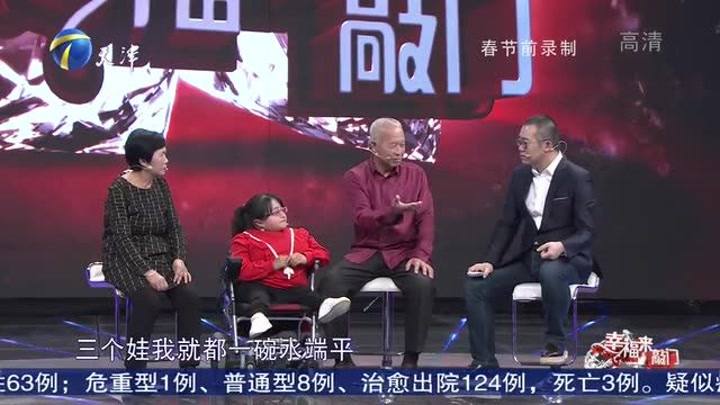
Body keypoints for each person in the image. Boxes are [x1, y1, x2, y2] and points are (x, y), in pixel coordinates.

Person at [465, 115, 597, 367]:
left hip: (570, 261)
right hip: (531, 259)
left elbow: (587, 231)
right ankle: (484, 361)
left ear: (547, 145)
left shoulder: (577, 176)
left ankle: (555, 345)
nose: (520, 148)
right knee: (476, 285)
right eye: (518, 142)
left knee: (551, 272)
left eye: (525, 143)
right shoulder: (520, 176)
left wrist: (562, 247)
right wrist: (490, 261)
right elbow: (507, 223)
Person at [321, 118, 435, 369]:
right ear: (373, 146)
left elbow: (426, 217)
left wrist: (421, 254)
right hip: (367, 251)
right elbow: (362, 218)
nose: (400, 151)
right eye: (393, 145)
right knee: (332, 282)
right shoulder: (355, 176)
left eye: (402, 145)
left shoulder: (416, 174)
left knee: (422, 285)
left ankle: (411, 360)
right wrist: (392, 213)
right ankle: (342, 359)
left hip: (404, 252)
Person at [102, 128, 200, 370]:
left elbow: (174, 226)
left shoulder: (161, 185)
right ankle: (135, 368)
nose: (167, 160)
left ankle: (190, 366)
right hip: (125, 260)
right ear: (144, 161)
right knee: (149, 301)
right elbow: (121, 238)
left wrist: (178, 258)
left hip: (160, 256)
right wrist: (148, 272)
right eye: (162, 155)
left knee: (189, 297)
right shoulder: (119, 190)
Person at [230, 193, 351, 338]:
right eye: (276, 212)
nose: (283, 215)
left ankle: (325, 306)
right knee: (257, 293)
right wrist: (272, 265)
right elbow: (242, 271)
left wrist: (305, 257)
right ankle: (258, 318)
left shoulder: (300, 234)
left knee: (306, 294)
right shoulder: (244, 239)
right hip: (260, 287)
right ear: (259, 223)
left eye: (283, 209)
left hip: (291, 289)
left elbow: (323, 254)